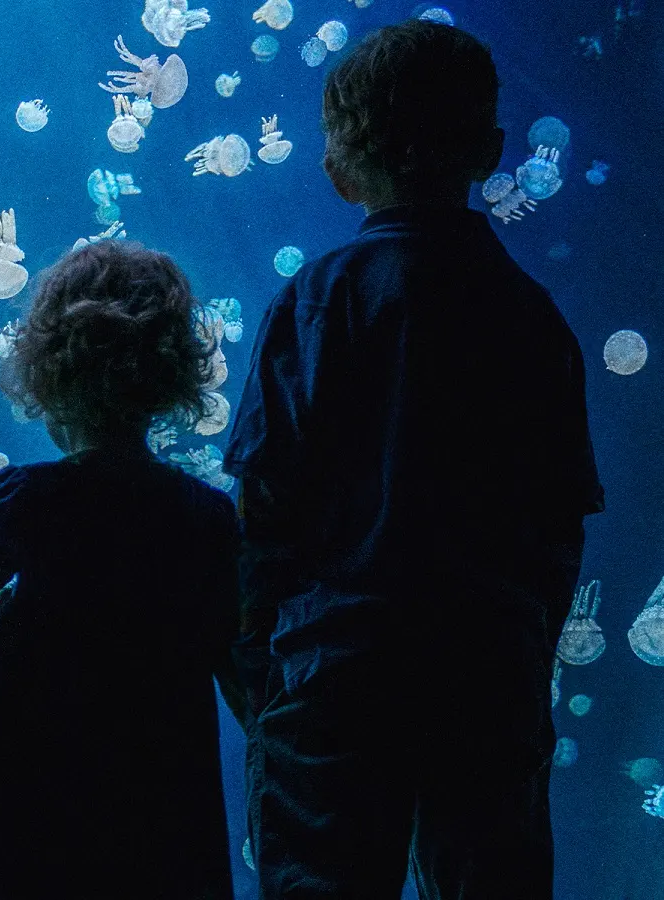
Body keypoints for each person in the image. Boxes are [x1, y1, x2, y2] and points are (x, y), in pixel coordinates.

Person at [225, 19, 604, 900]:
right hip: (489, 670)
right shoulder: (532, 315)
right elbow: (560, 524)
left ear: (336, 167)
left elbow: (261, 509)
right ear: (492, 150)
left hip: (331, 670)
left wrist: (263, 679)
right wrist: (523, 654)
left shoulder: (315, 302)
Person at [0, 240, 243, 900]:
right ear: (173, 373)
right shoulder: (204, 517)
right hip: (159, 765)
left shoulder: (28, 501)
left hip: (24, 768)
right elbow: (242, 666)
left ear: (48, 371)